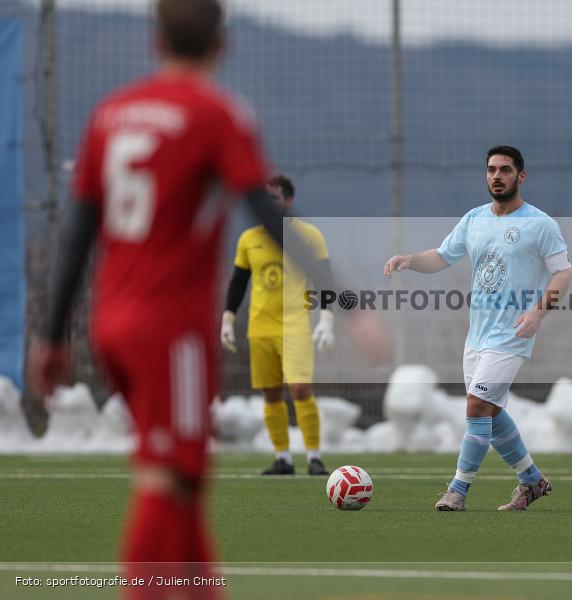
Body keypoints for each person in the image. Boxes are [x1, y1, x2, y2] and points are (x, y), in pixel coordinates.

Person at [26, 1, 384, 596]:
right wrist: (348, 304)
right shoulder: (218, 114)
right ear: (225, 43)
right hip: (167, 330)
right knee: (165, 481)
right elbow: (268, 214)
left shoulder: (109, 115)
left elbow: (78, 230)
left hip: (110, 321)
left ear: (154, 42)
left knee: (183, 479)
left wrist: (55, 333)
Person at [384, 145, 572, 511]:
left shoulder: (540, 224)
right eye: (491, 170)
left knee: (476, 405)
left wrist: (538, 312)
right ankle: (532, 481)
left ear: (521, 176)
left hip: (512, 335)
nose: (497, 176)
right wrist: (409, 260)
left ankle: (458, 490)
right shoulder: (474, 219)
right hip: (478, 337)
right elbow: (441, 256)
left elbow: (564, 272)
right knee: (490, 411)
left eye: (505, 169)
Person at [221, 174, 332, 476]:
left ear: (288, 200)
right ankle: (283, 458)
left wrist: (326, 318)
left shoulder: (307, 236)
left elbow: (324, 279)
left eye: (274, 198)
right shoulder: (248, 239)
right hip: (260, 327)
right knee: (270, 393)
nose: (267, 204)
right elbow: (238, 282)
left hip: (295, 324)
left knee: (298, 388)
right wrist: (228, 318)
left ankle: (314, 457)